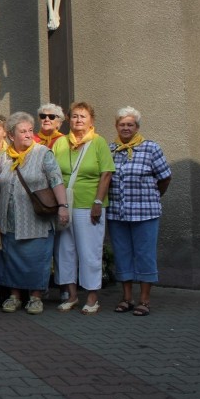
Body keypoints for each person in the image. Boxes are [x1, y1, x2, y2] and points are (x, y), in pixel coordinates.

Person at [0, 112, 69, 315]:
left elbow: (56, 180)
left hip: (35, 220)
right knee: (10, 257)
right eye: (23, 131)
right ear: (11, 135)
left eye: (30, 130)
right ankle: (15, 296)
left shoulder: (43, 153)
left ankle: (36, 297)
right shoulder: (4, 155)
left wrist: (63, 206)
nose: (28, 135)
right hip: (8, 220)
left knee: (36, 258)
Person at [107, 107, 172, 317]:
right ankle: (126, 298)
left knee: (145, 255)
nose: (126, 128)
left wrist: (152, 196)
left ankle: (144, 300)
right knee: (122, 254)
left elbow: (165, 177)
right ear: (116, 126)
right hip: (118, 213)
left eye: (130, 124)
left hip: (146, 213)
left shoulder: (151, 148)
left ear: (137, 127)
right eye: (122, 124)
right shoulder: (111, 149)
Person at [52, 101, 115, 315]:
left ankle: (92, 297)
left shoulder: (99, 143)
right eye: (75, 116)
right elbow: (53, 173)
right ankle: (71, 296)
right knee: (65, 250)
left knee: (89, 252)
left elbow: (106, 173)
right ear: (69, 119)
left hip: (88, 205)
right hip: (64, 205)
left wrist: (98, 202)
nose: (79, 120)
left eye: (83, 116)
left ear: (91, 121)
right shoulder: (60, 143)